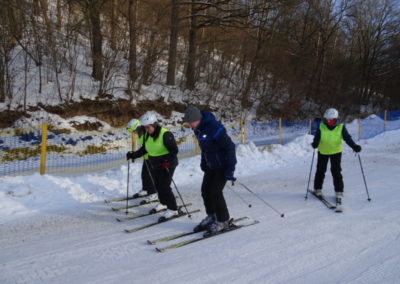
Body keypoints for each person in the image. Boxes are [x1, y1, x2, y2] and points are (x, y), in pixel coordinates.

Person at [183, 105, 237, 235]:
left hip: (223, 165)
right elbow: (205, 149)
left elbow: (230, 147)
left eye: (191, 122)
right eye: (189, 123)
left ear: (198, 119)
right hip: (211, 166)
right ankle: (212, 216)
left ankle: (223, 220)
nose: (190, 125)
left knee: (215, 192)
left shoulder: (214, 127)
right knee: (205, 191)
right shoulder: (198, 129)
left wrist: (230, 170)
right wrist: (204, 163)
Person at [126, 112, 180, 221]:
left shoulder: (165, 134)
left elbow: (174, 150)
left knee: (165, 186)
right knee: (158, 186)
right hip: (155, 164)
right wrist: (133, 155)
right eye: (145, 127)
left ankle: (173, 209)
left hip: (167, 164)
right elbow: (145, 149)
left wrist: (167, 160)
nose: (147, 129)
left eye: (148, 127)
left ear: (154, 125)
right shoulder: (148, 135)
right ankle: (164, 203)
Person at [311, 108, 362, 209]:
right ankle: (318, 189)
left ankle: (339, 191)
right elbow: (317, 137)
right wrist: (315, 143)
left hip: (336, 152)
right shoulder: (321, 126)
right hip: (323, 151)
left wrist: (354, 146)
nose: (328, 121)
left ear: (335, 119)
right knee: (320, 171)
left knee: (336, 171)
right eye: (326, 119)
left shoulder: (341, 127)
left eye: (330, 119)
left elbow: (347, 138)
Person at [126, 119, 157, 202]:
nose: (134, 133)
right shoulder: (141, 134)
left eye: (134, 131)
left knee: (150, 176)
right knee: (144, 175)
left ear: (138, 127)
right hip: (146, 158)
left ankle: (153, 193)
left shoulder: (147, 134)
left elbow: (146, 148)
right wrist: (133, 154)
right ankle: (146, 189)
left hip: (153, 157)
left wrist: (134, 155)